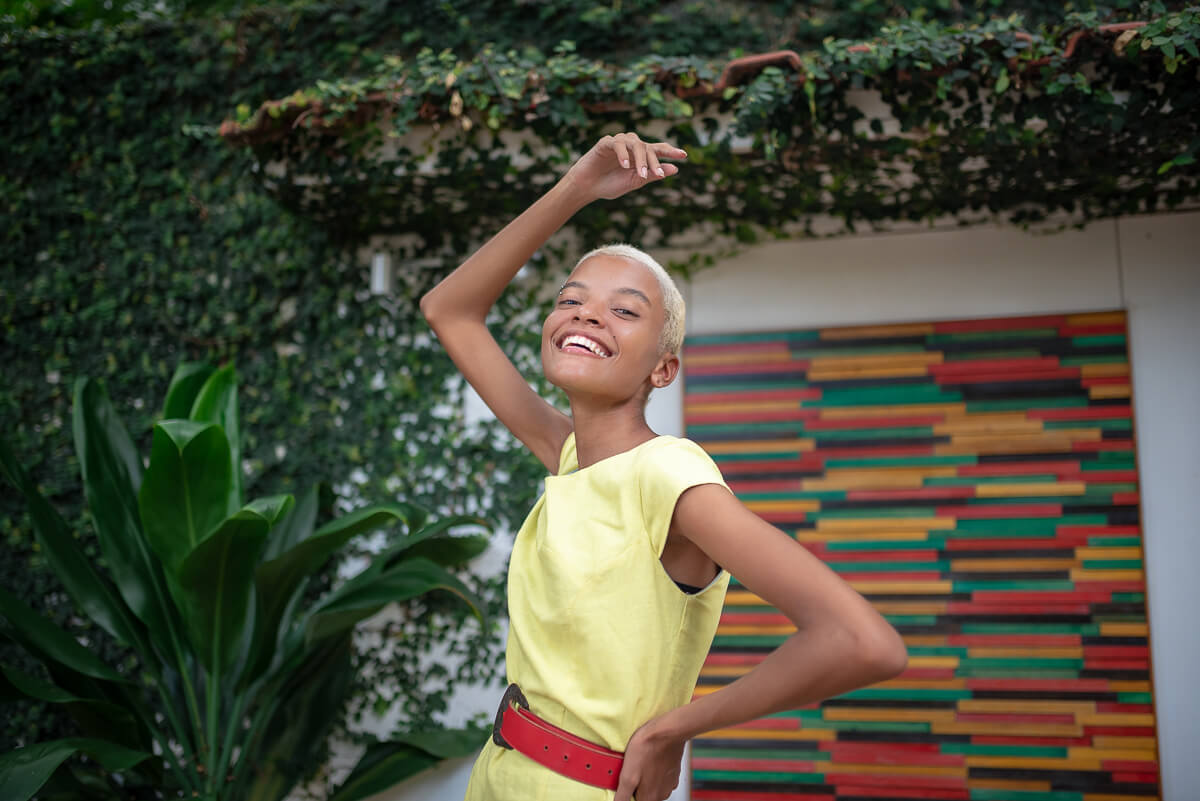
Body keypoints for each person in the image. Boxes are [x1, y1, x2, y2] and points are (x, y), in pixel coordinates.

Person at [420, 132, 909, 801]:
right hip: (499, 777)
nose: (588, 313)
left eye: (625, 310)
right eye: (570, 299)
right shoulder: (570, 456)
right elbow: (448, 310)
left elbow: (863, 640)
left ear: (663, 368)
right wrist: (577, 188)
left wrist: (674, 729)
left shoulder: (669, 477)